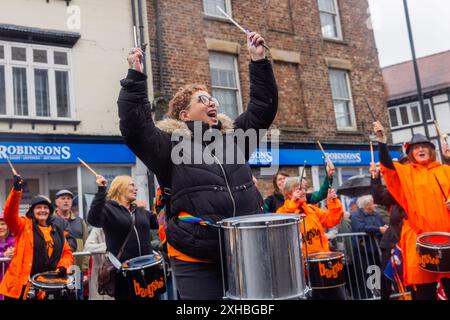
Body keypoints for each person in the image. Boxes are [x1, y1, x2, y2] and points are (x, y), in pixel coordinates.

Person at [118, 31, 277, 300]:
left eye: (211, 99)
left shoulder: (235, 138)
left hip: (245, 249)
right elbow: (136, 128)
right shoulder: (169, 145)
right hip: (196, 256)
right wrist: (135, 80)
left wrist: (259, 61)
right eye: (202, 100)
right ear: (184, 115)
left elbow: (262, 107)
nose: (211, 102)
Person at [373, 121, 450, 299]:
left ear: (432, 151)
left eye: (424, 146)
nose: (420, 150)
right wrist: (382, 142)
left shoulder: (445, 170)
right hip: (419, 240)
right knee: (424, 291)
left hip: (446, 239)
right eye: (416, 148)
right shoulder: (406, 173)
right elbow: (388, 167)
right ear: (411, 153)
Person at [0, 175, 73, 300]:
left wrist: (63, 267)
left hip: (49, 285)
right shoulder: (24, 225)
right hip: (23, 286)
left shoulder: (57, 230)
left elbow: (67, 253)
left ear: (50, 211)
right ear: (32, 211)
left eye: (45, 208)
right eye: (38, 207)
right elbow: (9, 214)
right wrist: (16, 191)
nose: (42, 210)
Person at [87, 175, 159, 300]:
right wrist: (101, 191)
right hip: (125, 273)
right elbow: (93, 219)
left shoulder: (140, 210)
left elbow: (158, 223)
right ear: (120, 188)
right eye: (132, 185)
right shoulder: (108, 209)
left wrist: (157, 202)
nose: (136, 189)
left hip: (148, 270)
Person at [276, 177, 344, 300]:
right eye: (299, 189)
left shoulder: (311, 209)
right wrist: (292, 203)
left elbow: (332, 220)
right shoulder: (282, 212)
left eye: (304, 189)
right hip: (302, 271)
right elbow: (282, 221)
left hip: (322, 266)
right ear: (288, 193)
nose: (303, 192)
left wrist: (332, 201)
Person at [370, 160, 408, 300]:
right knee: (387, 276)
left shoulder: (419, 188)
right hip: (392, 242)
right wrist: (375, 176)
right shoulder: (396, 190)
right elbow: (378, 197)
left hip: (411, 242)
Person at [54, 189, 89, 300]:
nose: (66, 201)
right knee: (58, 295)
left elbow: (86, 245)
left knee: (78, 295)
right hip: (57, 270)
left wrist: (85, 270)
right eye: (63, 198)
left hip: (76, 270)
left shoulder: (80, 221)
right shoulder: (50, 221)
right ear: (56, 202)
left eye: (68, 199)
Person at [83, 227, 114, 300]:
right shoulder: (97, 229)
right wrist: (106, 247)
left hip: (115, 277)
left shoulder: (120, 227)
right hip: (98, 279)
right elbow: (87, 247)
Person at [0, 212, 15, 301]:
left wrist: (15, 252)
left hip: (11, 284)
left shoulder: (14, 241)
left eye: (3, 224)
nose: (0, 227)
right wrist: (3, 255)